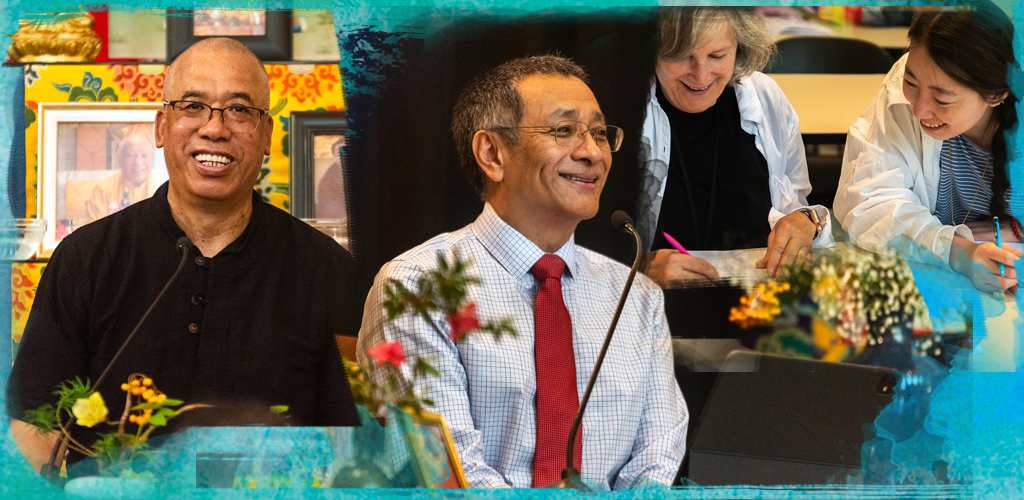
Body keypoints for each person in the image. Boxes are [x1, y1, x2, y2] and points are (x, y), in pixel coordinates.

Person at [7, 38, 361, 473]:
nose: (214, 128)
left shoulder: (328, 271)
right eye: (192, 106)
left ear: (267, 135)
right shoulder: (86, 259)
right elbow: (34, 426)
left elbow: (353, 445)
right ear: (160, 127)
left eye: (239, 109)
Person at [357, 55, 687, 489]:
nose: (592, 152)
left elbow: (657, 459)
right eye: (563, 130)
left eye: (600, 133)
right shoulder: (417, 286)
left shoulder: (638, 296)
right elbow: (446, 473)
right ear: (492, 153)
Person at [637, 7, 834, 286]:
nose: (701, 76)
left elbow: (794, 207)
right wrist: (635, 269)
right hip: (651, 301)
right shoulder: (619, 109)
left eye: (717, 56)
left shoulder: (767, 99)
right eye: (681, 56)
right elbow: (573, 238)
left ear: (739, 48)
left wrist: (805, 222)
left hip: (757, 301)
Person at [834, 6, 1020, 293]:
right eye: (911, 83)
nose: (919, 110)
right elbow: (869, 200)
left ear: (995, 94)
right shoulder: (915, 77)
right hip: (932, 285)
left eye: (942, 100)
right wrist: (958, 252)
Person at [84, 131, 156, 222]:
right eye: (130, 155)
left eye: (144, 155)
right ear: (119, 159)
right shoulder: (102, 190)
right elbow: (95, 231)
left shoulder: (162, 186)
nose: (138, 163)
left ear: (152, 158)